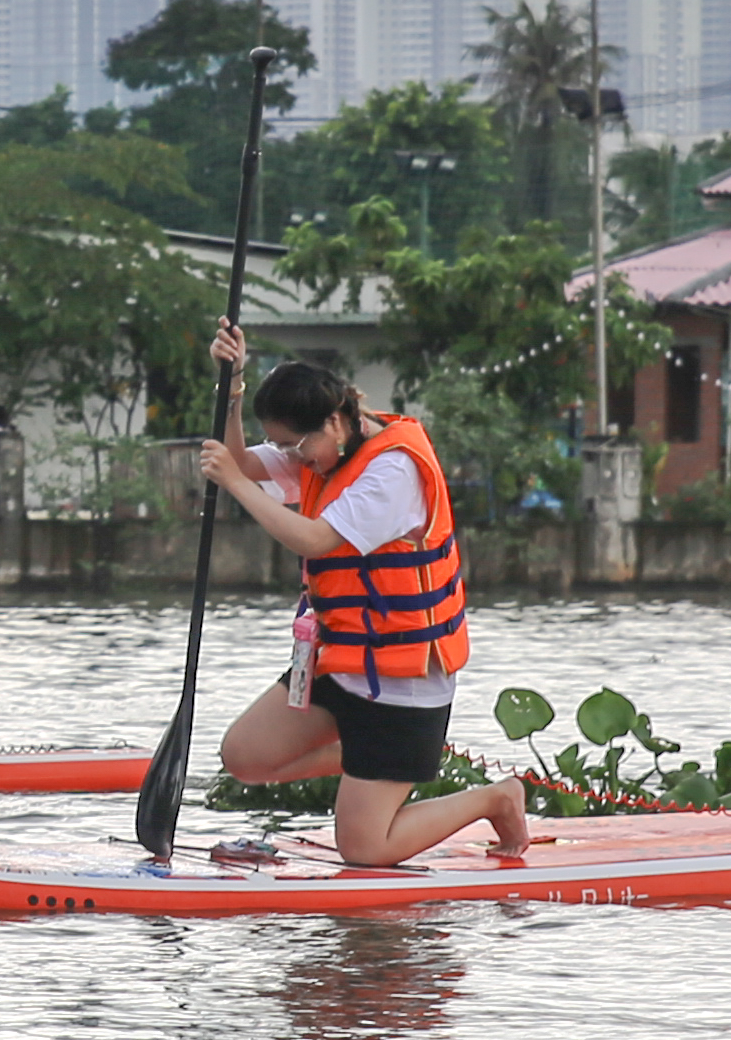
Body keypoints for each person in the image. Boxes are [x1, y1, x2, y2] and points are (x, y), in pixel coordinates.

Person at [198, 326, 535, 870]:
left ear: (334, 422)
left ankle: (494, 797)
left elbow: (313, 538)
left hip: (402, 683)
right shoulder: (323, 448)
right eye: (283, 445)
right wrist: (232, 385)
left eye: (295, 445)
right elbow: (242, 458)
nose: (291, 457)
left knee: (364, 850)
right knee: (245, 756)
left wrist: (234, 486)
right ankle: (366, 763)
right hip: (340, 661)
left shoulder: (391, 470)